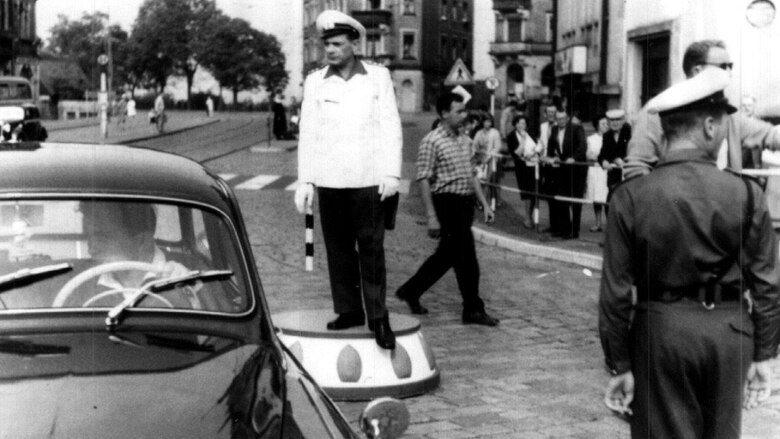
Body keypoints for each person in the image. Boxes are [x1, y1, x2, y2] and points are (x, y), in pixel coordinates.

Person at [599, 68, 780, 438]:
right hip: (731, 333)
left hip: (660, 332)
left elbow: (615, 294)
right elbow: (768, 286)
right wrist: (764, 355)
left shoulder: (630, 196)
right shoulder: (747, 193)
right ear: (710, 127)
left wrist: (620, 364)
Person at [294, 10, 402, 350]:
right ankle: (349, 309)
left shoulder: (377, 77)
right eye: (327, 44)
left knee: (371, 250)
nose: (331, 50)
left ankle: (378, 316)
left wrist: (391, 172)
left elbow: (390, 126)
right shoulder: (315, 81)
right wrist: (305, 180)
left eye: (338, 44)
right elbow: (308, 134)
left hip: (368, 180)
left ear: (354, 44)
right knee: (338, 250)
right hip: (329, 181)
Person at [394, 92, 499, 327]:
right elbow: (423, 179)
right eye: (459, 111)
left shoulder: (465, 140)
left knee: (447, 256)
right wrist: (431, 216)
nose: (465, 115)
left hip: (464, 204)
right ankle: (472, 309)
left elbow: (472, 174)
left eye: (464, 110)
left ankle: (411, 291)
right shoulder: (432, 141)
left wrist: (484, 203)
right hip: (446, 203)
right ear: (443, 114)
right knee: (467, 258)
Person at [624, 39, 780, 179]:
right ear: (697, 71)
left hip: (725, 203)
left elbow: (769, 134)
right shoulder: (655, 112)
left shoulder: (728, 114)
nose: (729, 72)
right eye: (723, 66)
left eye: (730, 66)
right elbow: (637, 169)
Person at [68, 201, 199, 309]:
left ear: (141, 240)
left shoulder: (194, 274)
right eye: (88, 236)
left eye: (103, 236)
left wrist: (189, 297)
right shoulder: (78, 285)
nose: (91, 249)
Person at [545, 109, 587, 239]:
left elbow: (582, 146)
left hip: (576, 170)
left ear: (568, 118)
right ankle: (564, 229)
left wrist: (574, 158)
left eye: (563, 118)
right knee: (561, 198)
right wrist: (551, 158)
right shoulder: (554, 130)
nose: (561, 121)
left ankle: (574, 232)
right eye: (558, 119)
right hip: (563, 170)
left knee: (575, 201)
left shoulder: (577, 128)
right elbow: (551, 147)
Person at [506, 114, 542, 229]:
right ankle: (527, 217)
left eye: (524, 123)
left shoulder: (530, 133)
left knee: (534, 192)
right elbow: (517, 152)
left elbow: (539, 145)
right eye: (520, 123)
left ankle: (530, 216)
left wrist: (537, 150)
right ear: (515, 124)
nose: (522, 126)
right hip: (522, 167)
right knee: (526, 192)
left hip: (534, 165)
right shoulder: (511, 136)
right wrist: (522, 139)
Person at [598, 109, 632, 204]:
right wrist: (604, 161)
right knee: (609, 205)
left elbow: (632, 151)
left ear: (623, 120)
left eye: (618, 120)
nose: (615, 123)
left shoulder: (629, 131)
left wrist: (621, 159)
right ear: (608, 121)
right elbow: (602, 155)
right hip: (613, 178)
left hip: (629, 176)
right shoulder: (607, 135)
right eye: (612, 120)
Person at [471, 115, 502, 208]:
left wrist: (488, 156)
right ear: (483, 122)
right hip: (480, 159)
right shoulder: (479, 133)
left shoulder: (495, 132)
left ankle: (483, 202)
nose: (488, 124)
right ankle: (484, 200)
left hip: (492, 159)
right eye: (486, 121)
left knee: (487, 181)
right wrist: (477, 153)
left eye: (490, 122)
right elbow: (474, 145)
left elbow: (497, 147)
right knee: (481, 180)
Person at [585, 115, 609, 231]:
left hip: (607, 171)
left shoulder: (610, 138)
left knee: (607, 197)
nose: (606, 126)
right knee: (597, 197)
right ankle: (598, 223)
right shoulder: (591, 139)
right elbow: (589, 155)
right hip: (596, 171)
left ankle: (610, 225)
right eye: (603, 124)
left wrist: (600, 157)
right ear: (597, 126)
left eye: (606, 123)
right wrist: (601, 157)